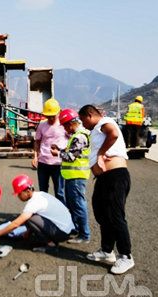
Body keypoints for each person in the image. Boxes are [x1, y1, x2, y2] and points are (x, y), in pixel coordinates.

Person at [79, 105, 134, 274]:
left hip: (115, 176)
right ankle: (107, 250)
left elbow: (114, 134)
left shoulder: (104, 122)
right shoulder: (96, 129)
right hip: (104, 178)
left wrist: (101, 154)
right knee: (102, 214)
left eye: (83, 121)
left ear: (90, 115)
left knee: (115, 216)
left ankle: (126, 256)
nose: (83, 125)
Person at [0, 175, 75, 253]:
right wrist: (29, 230)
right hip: (66, 229)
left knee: (29, 219)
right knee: (31, 217)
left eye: (19, 194)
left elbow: (16, 223)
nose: (19, 197)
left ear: (28, 191)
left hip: (62, 233)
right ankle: (51, 240)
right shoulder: (40, 195)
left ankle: (51, 245)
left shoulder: (33, 202)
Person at [50, 109, 91, 244]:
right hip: (72, 176)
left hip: (77, 176)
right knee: (73, 204)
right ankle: (76, 228)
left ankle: (84, 234)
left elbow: (70, 157)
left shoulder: (79, 136)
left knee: (78, 205)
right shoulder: (77, 135)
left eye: (65, 126)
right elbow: (72, 153)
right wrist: (60, 150)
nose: (65, 130)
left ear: (70, 123)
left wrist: (57, 153)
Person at [32, 99, 68, 204]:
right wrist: (35, 157)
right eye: (48, 116)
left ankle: (62, 215)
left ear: (58, 113)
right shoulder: (42, 125)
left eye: (53, 115)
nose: (51, 118)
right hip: (43, 162)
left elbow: (71, 141)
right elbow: (37, 141)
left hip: (58, 163)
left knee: (59, 192)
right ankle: (46, 213)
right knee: (43, 191)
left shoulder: (63, 125)